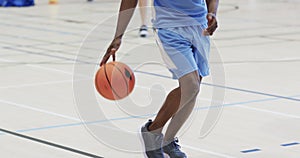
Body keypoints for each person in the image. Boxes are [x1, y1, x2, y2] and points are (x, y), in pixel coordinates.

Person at [100, 0, 219, 157]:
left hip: (200, 27)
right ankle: (152, 131)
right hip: (169, 27)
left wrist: (212, 13)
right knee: (191, 85)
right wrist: (118, 36)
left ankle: (168, 141)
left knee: (193, 88)